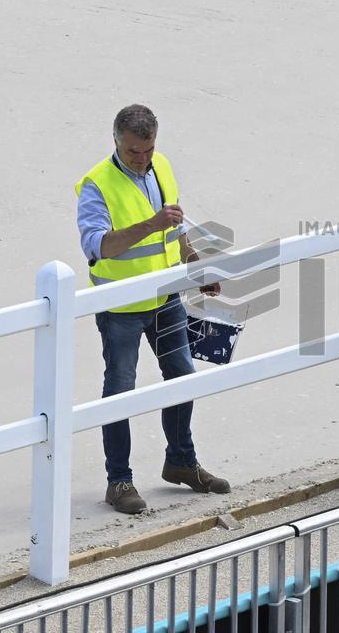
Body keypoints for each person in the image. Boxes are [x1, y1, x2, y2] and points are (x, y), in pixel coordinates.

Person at [75, 104, 230, 514]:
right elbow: (98, 246)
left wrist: (194, 263)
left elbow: (174, 225)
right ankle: (118, 481)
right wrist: (151, 224)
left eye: (147, 150)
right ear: (116, 142)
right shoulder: (96, 184)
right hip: (121, 308)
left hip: (166, 299)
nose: (142, 159)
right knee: (119, 392)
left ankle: (181, 461)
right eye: (133, 152)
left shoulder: (161, 166)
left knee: (182, 378)